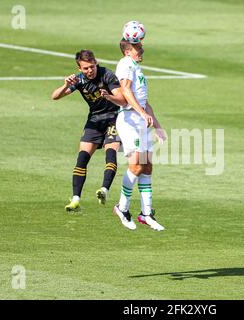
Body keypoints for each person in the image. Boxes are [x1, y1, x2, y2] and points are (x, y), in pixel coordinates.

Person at [51, 50, 127, 211]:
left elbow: (122, 99)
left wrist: (109, 96)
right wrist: (66, 84)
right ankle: (76, 199)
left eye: (92, 66)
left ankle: (104, 189)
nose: (90, 71)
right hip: (94, 120)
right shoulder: (79, 80)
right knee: (82, 158)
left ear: (96, 63)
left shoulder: (107, 75)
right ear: (80, 69)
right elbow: (55, 96)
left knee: (110, 153)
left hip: (114, 118)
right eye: (85, 68)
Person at [113, 39, 167, 231]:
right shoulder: (125, 64)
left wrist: (157, 126)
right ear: (128, 51)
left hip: (141, 120)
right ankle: (122, 208)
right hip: (129, 119)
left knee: (147, 167)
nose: (142, 49)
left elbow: (145, 102)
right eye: (137, 47)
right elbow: (126, 90)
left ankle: (146, 213)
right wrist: (142, 113)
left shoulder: (136, 67)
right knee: (136, 164)